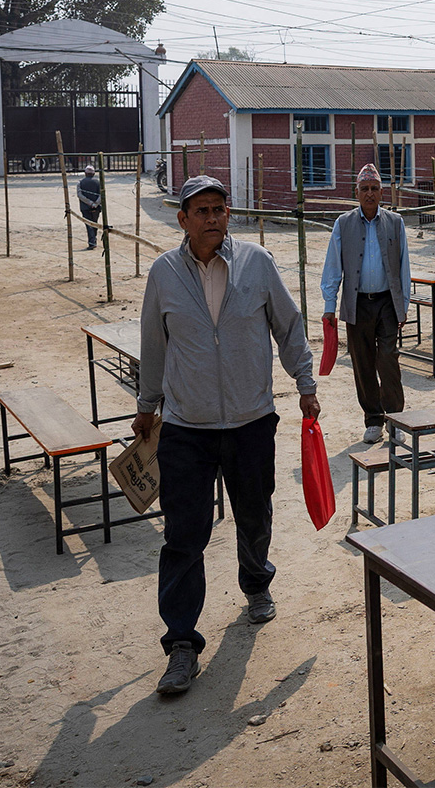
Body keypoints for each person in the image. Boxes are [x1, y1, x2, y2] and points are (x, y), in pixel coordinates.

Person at [135, 175, 319, 697]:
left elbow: (288, 325)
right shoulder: (164, 272)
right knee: (183, 535)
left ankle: (256, 582)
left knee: (255, 513)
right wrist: (146, 406)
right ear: (183, 220)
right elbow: (154, 343)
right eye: (202, 210)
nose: (213, 217)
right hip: (186, 427)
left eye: (219, 208)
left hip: (250, 419)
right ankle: (181, 644)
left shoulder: (257, 263)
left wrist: (305, 383)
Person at [321, 164, 411, 445]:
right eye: (364, 189)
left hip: (387, 302)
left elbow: (403, 266)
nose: (369, 194)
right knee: (362, 363)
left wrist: (403, 305)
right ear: (356, 192)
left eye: (374, 188)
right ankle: (373, 420)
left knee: (388, 359)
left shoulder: (395, 222)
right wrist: (329, 305)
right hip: (357, 303)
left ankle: (395, 419)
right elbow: (333, 266)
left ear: (382, 192)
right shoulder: (343, 223)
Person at [77, 165, 102, 249]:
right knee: (95, 223)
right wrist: (96, 203)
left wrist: (89, 203)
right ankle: (93, 239)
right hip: (96, 207)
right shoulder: (98, 182)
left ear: (85, 173)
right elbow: (101, 194)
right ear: (93, 174)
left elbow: (80, 195)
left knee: (88, 225)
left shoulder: (80, 182)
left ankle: (92, 242)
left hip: (85, 207)